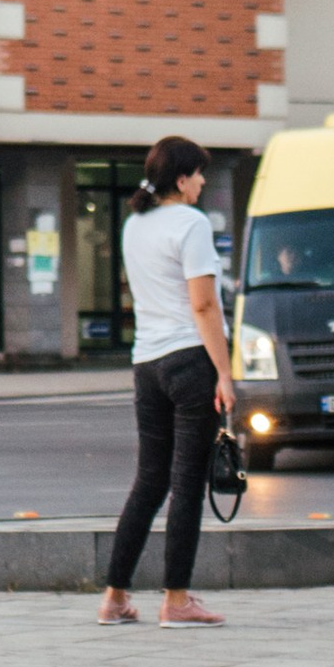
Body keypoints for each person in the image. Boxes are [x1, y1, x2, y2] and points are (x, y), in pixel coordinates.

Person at [99, 137, 234, 627]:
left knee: (148, 483)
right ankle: (177, 599)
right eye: (199, 174)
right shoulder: (191, 224)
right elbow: (203, 304)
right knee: (185, 486)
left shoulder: (135, 224)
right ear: (181, 179)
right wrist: (224, 371)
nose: (202, 183)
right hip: (189, 361)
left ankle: (114, 597)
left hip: (147, 364)